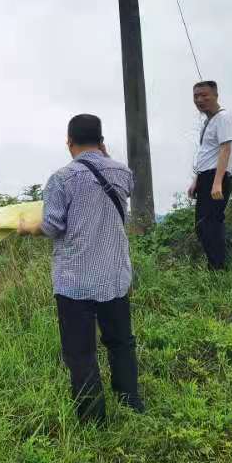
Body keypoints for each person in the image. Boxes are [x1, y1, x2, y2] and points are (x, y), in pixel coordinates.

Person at [16, 113, 143, 424]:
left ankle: (92, 418)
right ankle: (130, 402)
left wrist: (25, 228)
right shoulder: (123, 173)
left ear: (68, 142)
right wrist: (104, 153)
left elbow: (53, 225)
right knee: (121, 341)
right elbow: (117, 187)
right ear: (101, 142)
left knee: (80, 351)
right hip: (114, 276)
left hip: (75, 281)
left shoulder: (62, 178)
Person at [187, 80, 232, 271]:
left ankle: (218, 269)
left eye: (204, 95)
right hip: (206, 177)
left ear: (215, 95)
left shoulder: (223, 117)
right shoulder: (209, 122)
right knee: (202, 226)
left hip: (217, 177)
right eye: (196, 96)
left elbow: (225, 149)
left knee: (211, 225)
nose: (199, 100)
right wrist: (196, 180)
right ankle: (215, 265)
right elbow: (207, 153)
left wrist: (217, 183)